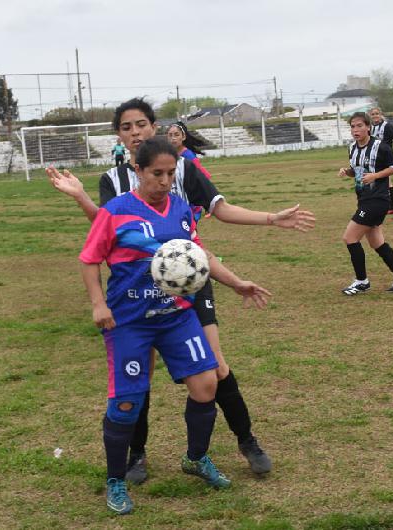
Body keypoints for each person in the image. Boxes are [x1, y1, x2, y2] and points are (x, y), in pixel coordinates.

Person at [48, 97, 316, 483]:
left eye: (141, 124)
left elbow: (220, 209)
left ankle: (246, 441)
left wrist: (271, 219)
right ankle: (137, 454)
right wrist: (81, 197)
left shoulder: (185, 169)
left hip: (190, 282)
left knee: (214, 367)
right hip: (138, 290)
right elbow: (107, 227)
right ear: (119, 137)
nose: (135, 132)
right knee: (141, 376)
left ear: (154, 127)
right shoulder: (114, 179)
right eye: (126, 127)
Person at [80, 137, 272, 514]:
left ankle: (196, 458)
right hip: (129, 322)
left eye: (170, 173)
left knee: (206, 385)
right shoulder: (116, 211)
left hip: (176, 316)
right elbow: (89, 259)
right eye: (156, 174)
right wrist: (98, 303)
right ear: (138, 171)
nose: (165, 181)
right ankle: (116, 481)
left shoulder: (182, 209)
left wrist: (236, 282)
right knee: (126, 402)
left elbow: (198, 256)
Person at [337, 111, 393, 295]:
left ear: (368, 127)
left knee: (350, 238)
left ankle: (361, 281)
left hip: (377, 200)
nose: (356, 130)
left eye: (359, 126)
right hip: (363, 199)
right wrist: (347, 172)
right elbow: (358, 171)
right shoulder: (352, 148)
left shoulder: (380, 146)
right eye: (353, 126)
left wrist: (376, 176)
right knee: (377, 242)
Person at [369, 107, 393, 214]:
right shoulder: (371, 128)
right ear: (370, 116)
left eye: (377, 113)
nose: (375, 116)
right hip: (375, 158)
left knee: (386, 180)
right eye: (373, 114)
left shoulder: (387, 126)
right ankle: (387, 206)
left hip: (386, 156)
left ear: (381, 114)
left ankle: (391, 206)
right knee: (379, 180)